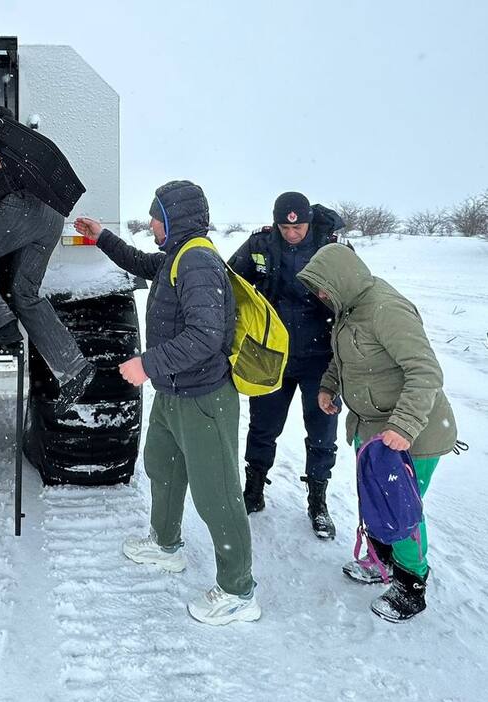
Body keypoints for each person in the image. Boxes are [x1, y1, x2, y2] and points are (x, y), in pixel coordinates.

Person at [75, 180, 259, 626]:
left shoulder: (197, 261)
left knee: (217, 495)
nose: (152, 224)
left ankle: (238, 591)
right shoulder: (177, 256)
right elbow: (142, 262)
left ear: (176, 219)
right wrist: (103, 237)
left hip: (204, 399)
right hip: (175, 393)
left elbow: (205, 336)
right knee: (163, 465)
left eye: (156, 217)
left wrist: (147, 364)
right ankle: (165, 544)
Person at [297, 243, 458, 621]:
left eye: (323, 288)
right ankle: (382, 559)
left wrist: (404, 425)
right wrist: (329, 386)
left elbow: (426, 372)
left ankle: (411, 585)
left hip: (411, 434)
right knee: (376, 500)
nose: (320, 297)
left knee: (401, 510)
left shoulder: (387, 309)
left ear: (341, 279)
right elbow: (345, 358)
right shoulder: (348, 307)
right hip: (372, 430)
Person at [0, 107, 95, 414]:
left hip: (19, 208)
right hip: (51, 214)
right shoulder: (13, 139)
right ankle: (74, 370)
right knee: (25, 293)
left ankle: (0, 329)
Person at [229, 192, 348, 539]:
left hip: (321, 360)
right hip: (271, 356)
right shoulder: (260, 245)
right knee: (262, 426)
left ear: (309, 222)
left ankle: (318, 501)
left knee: (322, 432)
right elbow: (229, 282)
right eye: (285, 227)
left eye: (298, 227)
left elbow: (357, 296)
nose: (292, 233)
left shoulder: (332, 249)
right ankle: (253, 489)